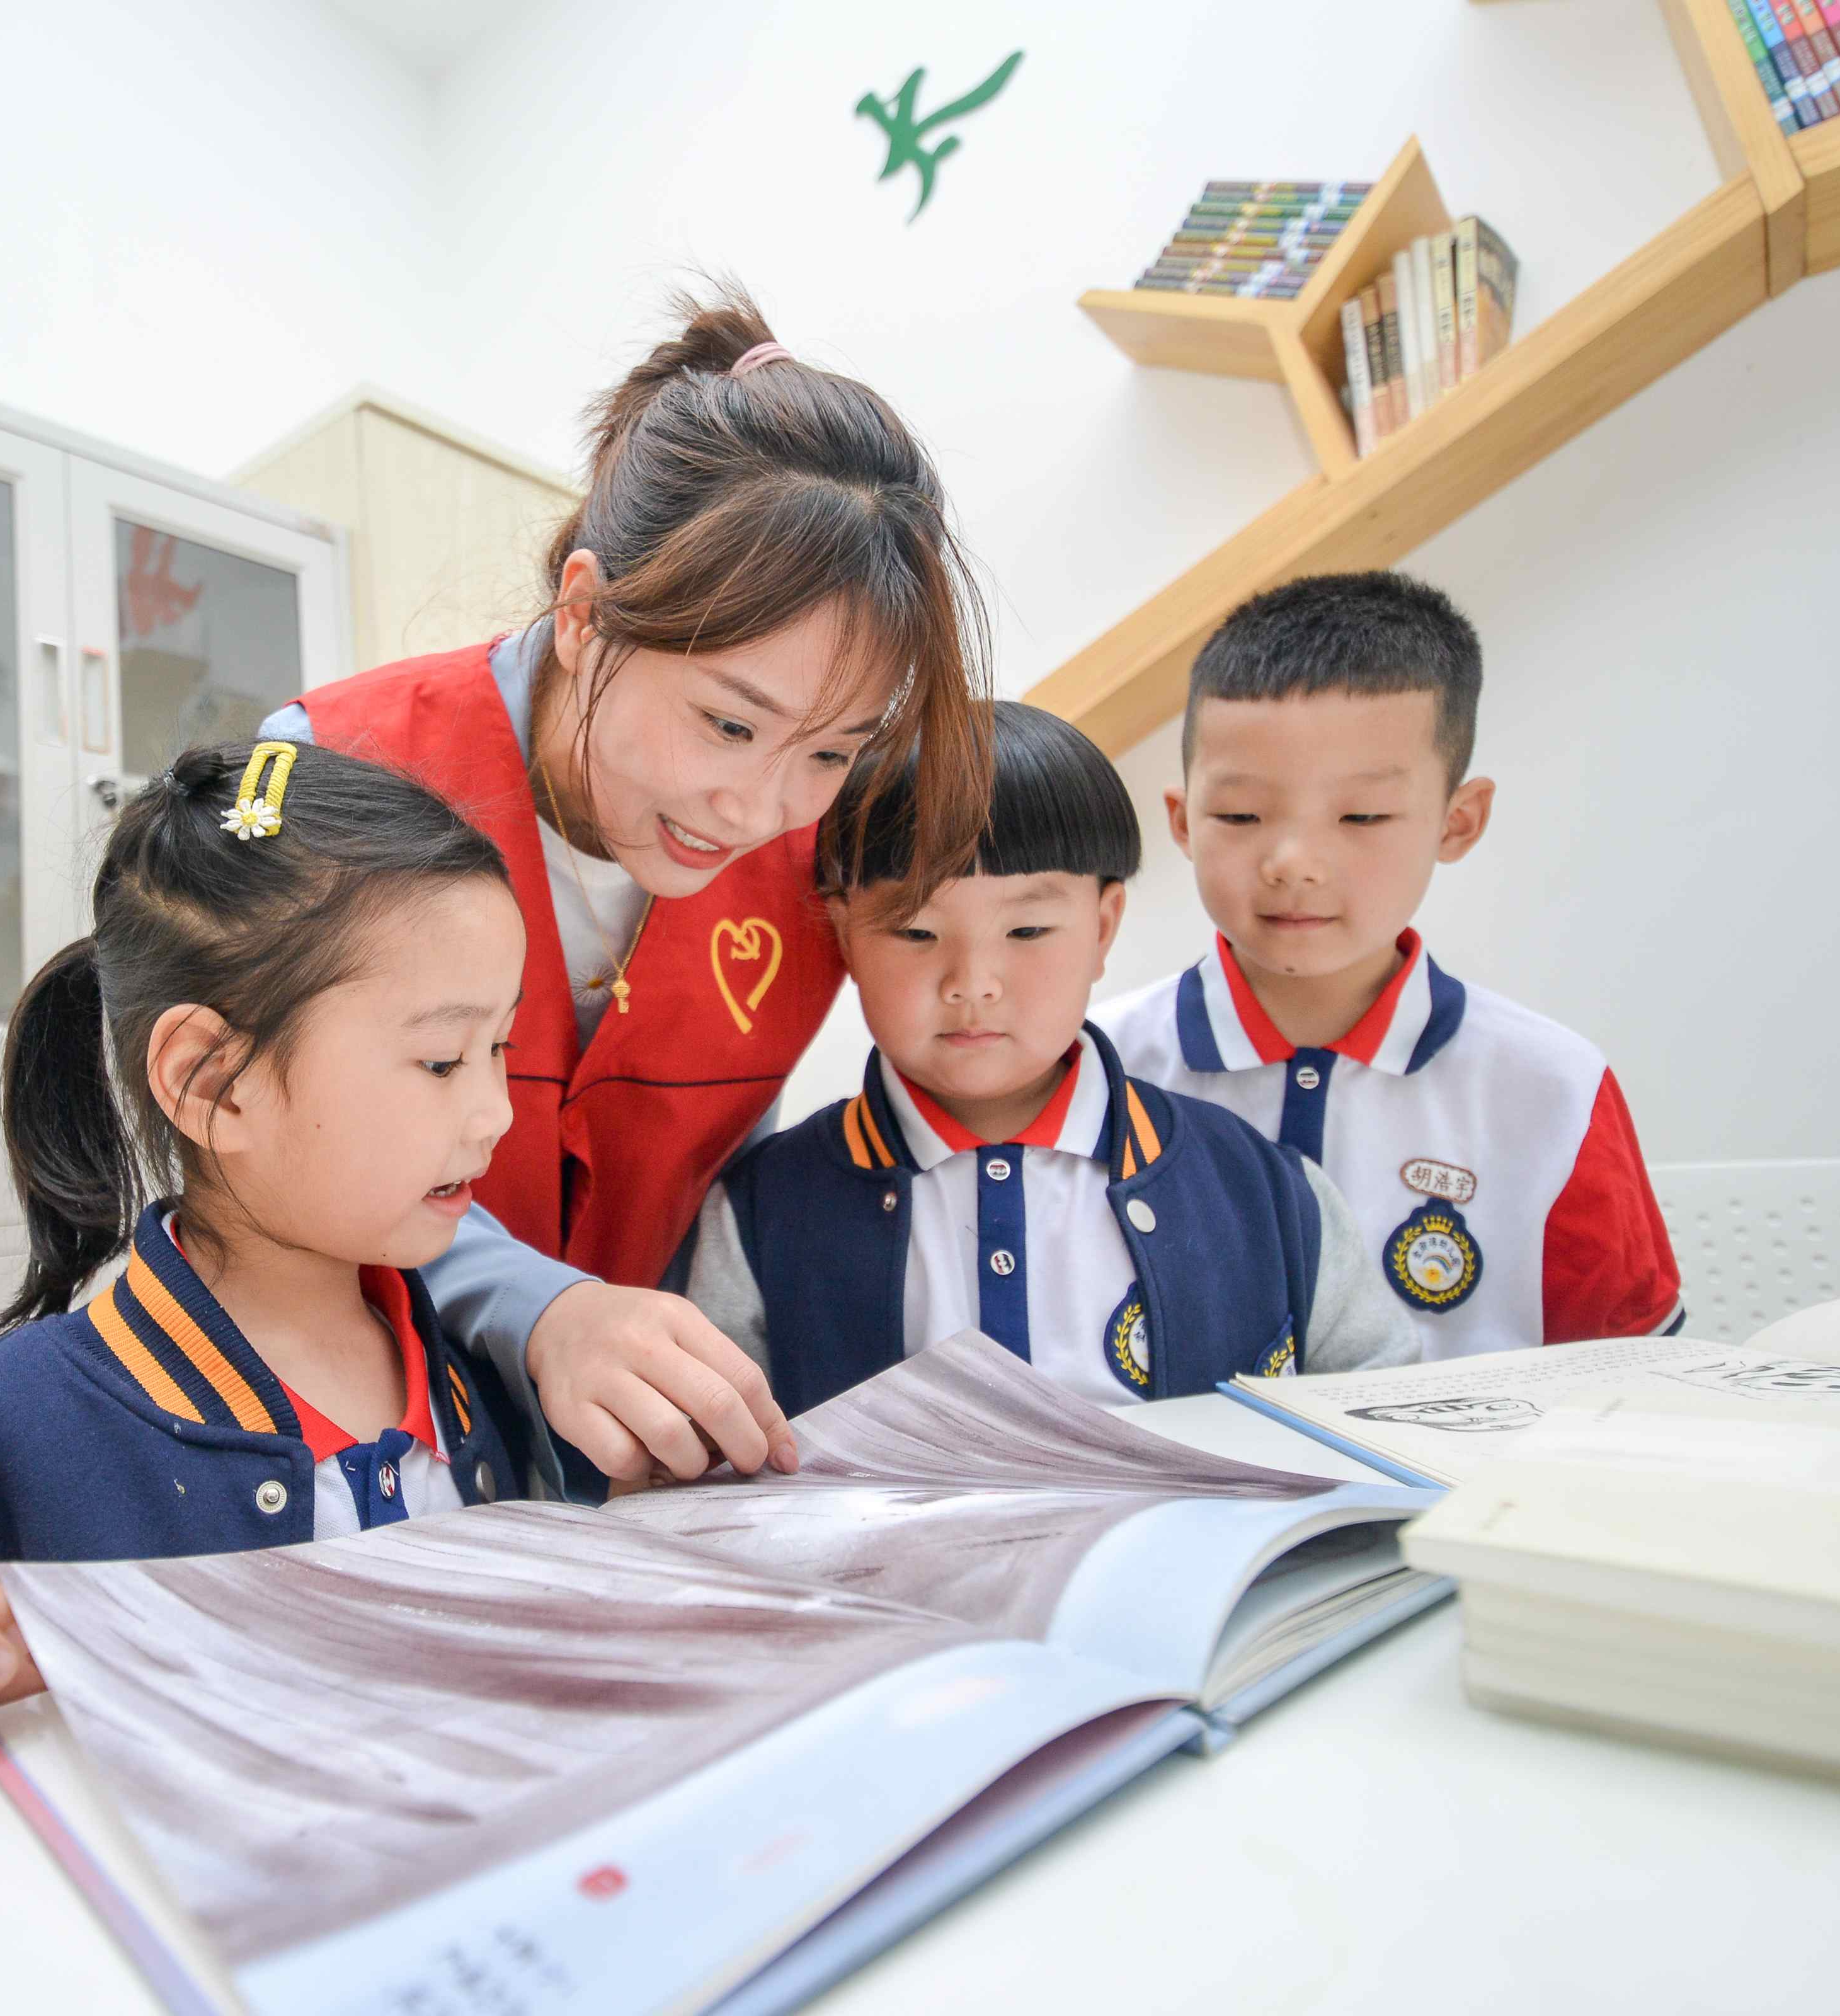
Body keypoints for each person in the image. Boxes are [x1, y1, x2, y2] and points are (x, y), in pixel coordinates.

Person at [0, 739, 784, 1874]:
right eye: (443, 1061)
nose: (495, 1113)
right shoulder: (1, 1437)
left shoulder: (483, 1380)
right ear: (210, 1080)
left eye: (502, 1048)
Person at [260, 284, 990, 1492]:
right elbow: (275, 1155)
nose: (756, 811)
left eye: (831, 750)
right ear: (586, 612)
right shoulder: (332, 770)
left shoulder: (820, 862)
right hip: (341, 1451)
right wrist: (543, 1310)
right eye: (727, 724)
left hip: (627, 1483)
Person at [677, 702, 1415, 1414]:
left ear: (1102, 927)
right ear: (844, 934)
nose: (973, 983)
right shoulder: (764, 1210)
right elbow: (715, 1456)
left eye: (1027, 930)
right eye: (916, 932)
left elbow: (1388, 1418)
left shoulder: (1262, 1189)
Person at [1094, 573, 1683, 1362]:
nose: (1294, 862)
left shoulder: (1553, 1088)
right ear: (1182, 820)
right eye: (1240, 814)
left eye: (1361, 815)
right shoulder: (1098, 1066)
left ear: (1458, 820)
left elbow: (1635, 1381)